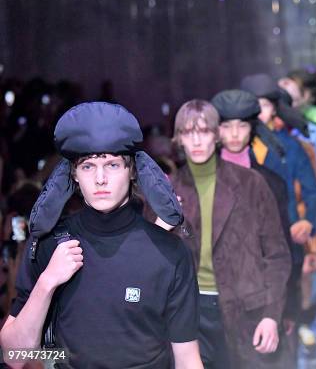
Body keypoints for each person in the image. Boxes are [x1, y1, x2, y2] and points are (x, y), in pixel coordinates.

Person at [0, 102, 202, 368]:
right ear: (73, 174)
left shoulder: (169, 252)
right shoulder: (50, 245)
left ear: (132, 171)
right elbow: (15, 358)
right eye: (87, 166)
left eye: (112, 165)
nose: (100, 179)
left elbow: (187, 359)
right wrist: (48, 282)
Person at [166, 99, 291, 368]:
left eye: (205, 131)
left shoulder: (250, 184)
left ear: (217, 135)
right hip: (190, 315)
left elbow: (278, 254)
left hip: (247, 311)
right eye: (188, 132)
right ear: (179, 139)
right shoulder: (168, 192)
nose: (197, 140)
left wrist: (271, 315)